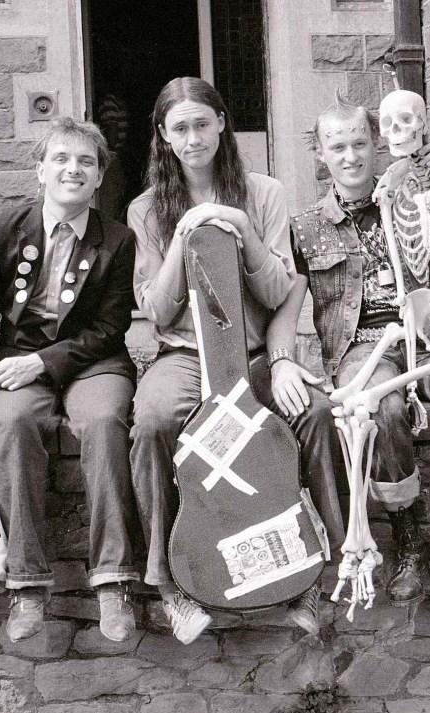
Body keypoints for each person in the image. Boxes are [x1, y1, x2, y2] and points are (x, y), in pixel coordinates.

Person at [267, 93, 430, 615]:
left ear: (376, 144)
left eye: (360, 142)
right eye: (338, 146)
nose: (351, 156)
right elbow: (286, 310)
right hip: (363, 347)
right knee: (383, 410)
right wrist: (282, 359)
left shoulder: (410, 198)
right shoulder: (306, 227)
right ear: (321, 154)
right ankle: (407, 544)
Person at [128, 77, 348, 644]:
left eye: (203, 123)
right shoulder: (147, 210)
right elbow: (156, 308)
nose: (194, 136)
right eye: (180, 128)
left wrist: (243, 228)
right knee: (153, 422)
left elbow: (281, 290)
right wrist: (182, 236)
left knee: (316, 415)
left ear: (223, 123)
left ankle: (318, 572)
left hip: (252, 356)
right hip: (185, 357)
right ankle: (169, 585)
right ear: (164, 137)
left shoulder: (264, 193)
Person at [0, 117, 140, 643]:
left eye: (86, 162)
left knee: (105, 422)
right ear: (40, 169)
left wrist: (45, 363)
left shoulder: (119, 239)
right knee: (12, 425)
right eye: (61, 158)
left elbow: (111, 327)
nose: (72, 169)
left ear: (100, 177)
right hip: (14, 358)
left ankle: (113, 581)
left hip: (94, 361)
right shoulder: (1, 228)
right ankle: (27, 586)